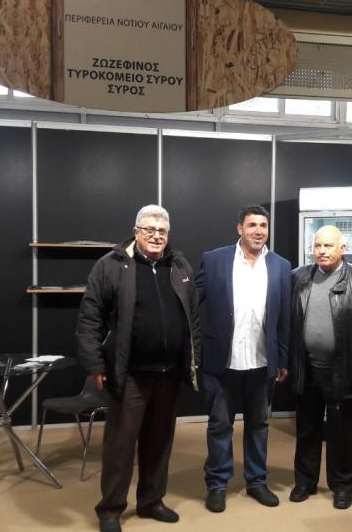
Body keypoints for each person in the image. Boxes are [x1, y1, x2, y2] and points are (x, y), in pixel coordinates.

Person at [75, 204, 199, 532]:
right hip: (129, 374)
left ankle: (151, 501)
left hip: (169, 374)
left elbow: (193, 317)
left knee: (159, 442)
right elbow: (90, 318)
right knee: (120, 446)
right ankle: (110, 509)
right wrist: (94, 363)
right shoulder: (112, 265)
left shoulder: (180, 264)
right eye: (149, 230)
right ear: (136, 232)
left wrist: (193, 356)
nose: (156, 236)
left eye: (162, 231)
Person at [194, 204, 291, 513]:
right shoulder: (214, 260)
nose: (258, 231)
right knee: (220, 426)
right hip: (222, 362)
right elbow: (191, 303)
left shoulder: (281, 265)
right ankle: (217, 484)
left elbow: (284, 318)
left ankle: (257, 481)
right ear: (239, 228)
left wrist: (282, 359)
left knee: (259, 425)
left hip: (262, 362)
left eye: (263, 225)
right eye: (252, 225)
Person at [288, 225, 352, 510]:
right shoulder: (297, 278)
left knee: (342, 432)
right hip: (307, 368)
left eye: (328, 246)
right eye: (317, 246)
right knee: (307, 429)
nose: (322, 251)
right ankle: (305, 482)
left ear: (343, 248)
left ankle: (342, 485)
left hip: (344, 371)